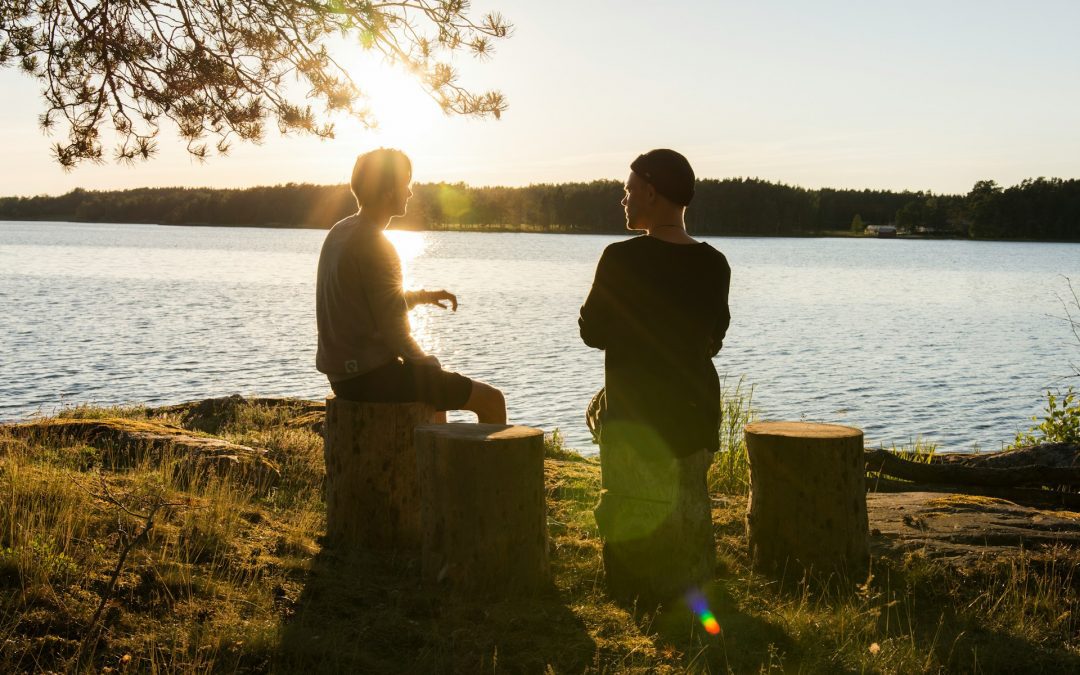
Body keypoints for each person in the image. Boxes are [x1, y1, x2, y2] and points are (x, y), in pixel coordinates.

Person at [579, 148, 731, 604]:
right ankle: (692, 583)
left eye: (628, 190)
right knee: (688, 506)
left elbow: (593, 332)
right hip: (693, 416)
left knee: (605, 422)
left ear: (649, 190)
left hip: (634, 418)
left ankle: (635, 593)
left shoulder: (620, 259)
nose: (623, 200)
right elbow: (713, 337)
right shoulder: (714, 263)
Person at [316, 148, 506, 423]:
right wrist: (427, 362)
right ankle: (490, 467)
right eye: (406, 184)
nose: (410, 192)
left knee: (433, 390)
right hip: (372, 378)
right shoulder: (376, 243)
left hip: (342, 377)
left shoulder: (341, 230)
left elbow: (374, 302)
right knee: (491, 399)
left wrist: (423, 297)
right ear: (389, 191)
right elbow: (394, 329)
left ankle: (438, 462)